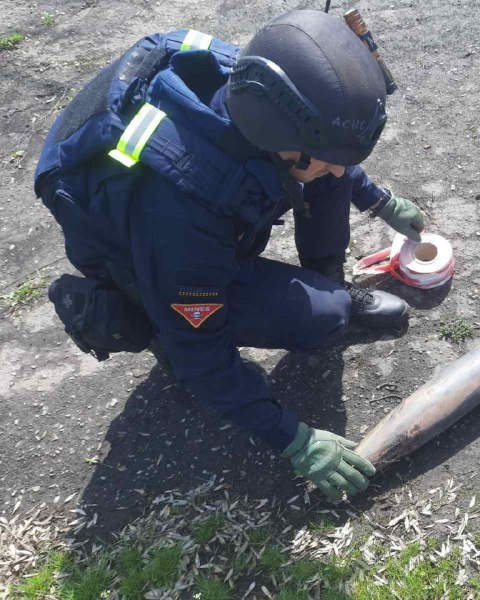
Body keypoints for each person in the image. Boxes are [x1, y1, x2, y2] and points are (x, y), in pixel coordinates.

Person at [34, 10, 426, 502]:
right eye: (326, 156)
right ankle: (151, 317)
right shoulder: (183, 218)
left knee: (329, 177)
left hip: (191, 213)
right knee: (301, 321)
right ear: (278, 144)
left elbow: (332, 158)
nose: (338, 167)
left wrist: (378, 199)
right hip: (143, 248)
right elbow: (205, 355)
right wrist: (293, 438)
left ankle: (328, 279)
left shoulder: (262, 91)